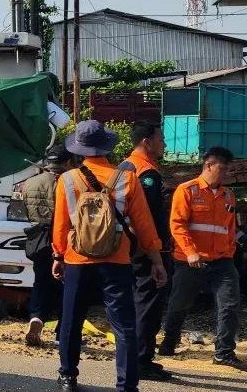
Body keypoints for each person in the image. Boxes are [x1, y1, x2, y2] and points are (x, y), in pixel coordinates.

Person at [53, 120, 167, 392]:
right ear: (107, 146)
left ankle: (68, 376)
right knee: (123, 324)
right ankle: (127, 385)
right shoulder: (127, 178)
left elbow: (60, 224)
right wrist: (157, 260)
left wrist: (58, 255)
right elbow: (144, 224)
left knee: (71, 319)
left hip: (77, 259)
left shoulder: (67, 180)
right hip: (117, 259)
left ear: (79, 150)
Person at [159, 147, 245, 370]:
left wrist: (230, 251)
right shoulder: (187, 190)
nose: (226, 173)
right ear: (208, 165)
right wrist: (190, 252)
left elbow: (229, 228)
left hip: (222, 261)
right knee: (180, 303)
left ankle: (224, 351)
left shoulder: (228, 195)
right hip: (190, 261)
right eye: (223, 169)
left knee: (229, 304)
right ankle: (169, 341)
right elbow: (177, 225)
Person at [120, 122, 172, 381]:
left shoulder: (125, 165)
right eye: (161, 139)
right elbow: (147, 218)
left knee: (134, 302)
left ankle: (135, 356)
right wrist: (155, 256)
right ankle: (141, 360)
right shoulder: (147, 173)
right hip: (145, 249)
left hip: (127, 247)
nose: (164, 144)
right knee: (147, 304)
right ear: (147, 142)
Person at [20, 144, 75, 347]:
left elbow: (26, 210)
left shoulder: (29, 183)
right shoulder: (69, 183)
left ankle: (36, 317)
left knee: (40, 281)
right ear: (67, 162)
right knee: (67, 286)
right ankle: (62, 330)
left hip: (38, 239)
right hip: (65, 240)